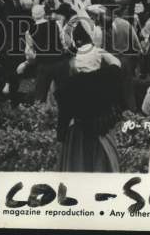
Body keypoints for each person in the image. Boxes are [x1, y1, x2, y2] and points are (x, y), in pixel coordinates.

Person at [50, 21, 124, 172]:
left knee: (79, 170)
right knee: (102, 171)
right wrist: (100, 51)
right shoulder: (107, 77)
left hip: (78, 134)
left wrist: (61, 138)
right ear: (97, 61)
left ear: (77, 64)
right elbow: (116, 63)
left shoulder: (68, 86)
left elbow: (63, 117)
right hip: (102, 133)